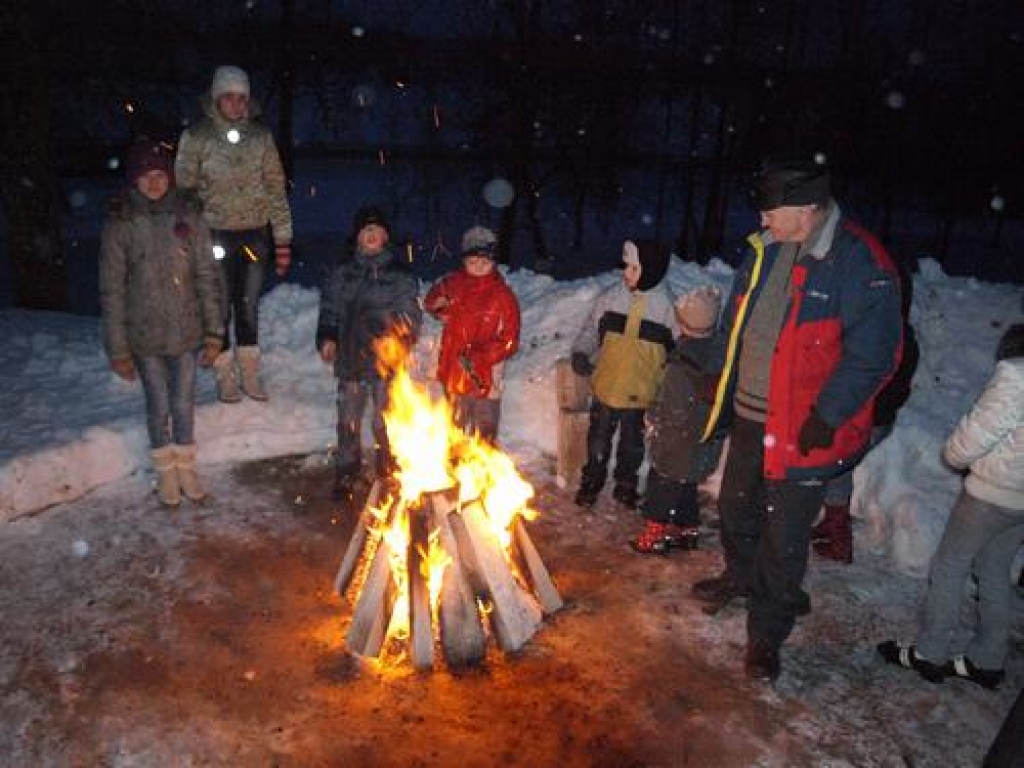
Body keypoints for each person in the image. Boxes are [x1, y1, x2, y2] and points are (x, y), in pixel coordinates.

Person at [690, 154, 903, 682]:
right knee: (736, 506)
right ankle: (741, 578)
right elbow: (737, 324)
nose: (762, 221)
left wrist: (828, 415)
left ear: (806, 209)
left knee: (785, 537)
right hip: (748, 411)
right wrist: (718, 371)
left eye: (771, 211)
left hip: (805, 428)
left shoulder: (858, 262)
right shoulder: (764, 251)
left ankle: (767, 631)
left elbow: (874, 354)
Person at [878, 324, 1024, 690]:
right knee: (995, 571)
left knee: (949, 567)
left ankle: (930, 652)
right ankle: (987, 660)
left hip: (990, 495)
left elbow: (979, 432)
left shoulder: (1016, 375)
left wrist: (953, 454)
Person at [99, 138, 224, 507]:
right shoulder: (122, 223)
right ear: (134, 180)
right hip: (144, 336)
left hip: (185, 332)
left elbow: (206, 276)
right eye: (146, 175)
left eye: (160, 174)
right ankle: (165, 472)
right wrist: (118, 348)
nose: (154, 182)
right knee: (158, 403)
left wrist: (214, 332)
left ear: (170, 178)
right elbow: (112, 291)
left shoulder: (189, 217)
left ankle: (186, 466)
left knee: (183, 403)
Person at [175, 65, 293, 403]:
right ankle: (225, 374)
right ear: (217, 98)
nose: (237, 104)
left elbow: (275, 190)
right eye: (229, 97)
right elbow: (184, 191)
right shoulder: (197, 137)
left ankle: (250, 371)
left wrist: (282, 239)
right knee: (218, 305)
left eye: (242, 98)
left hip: (254, 234)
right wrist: (185, 234)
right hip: (213, 235)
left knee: (248, 304)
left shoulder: (260, 137)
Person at [813, 262, 920, 563]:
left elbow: (872, 381)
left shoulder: (888, 335)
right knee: (836, 467)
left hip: (868, 418)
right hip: (876, 417)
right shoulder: (899, 331)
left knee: (835, 468)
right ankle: (833, 523)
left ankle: (837, 537)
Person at [316, 205, 422, 503]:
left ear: (386, 236)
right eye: (365, 230)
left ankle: (388, 466)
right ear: (358, 237)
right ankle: (347, 470)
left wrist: (396, 338)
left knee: (385, 419)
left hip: (386, 362)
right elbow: (330, 309)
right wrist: (327, 337)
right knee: (348, 419)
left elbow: (411, 316)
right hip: (350, 357)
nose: (371, 234)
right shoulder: (343, 273)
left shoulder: (400, 275)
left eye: (376, 229)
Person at [570, 239, 676, 509]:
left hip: (641, 394)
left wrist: (668, 386)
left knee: (632, 444)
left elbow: (677, 354)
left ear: (650, 269)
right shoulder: (610, 298)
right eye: (625, 267)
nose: (624, 273)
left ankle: (625, 485)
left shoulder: (668, 308)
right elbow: (590, 332)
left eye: (632, 268)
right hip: (606, 387)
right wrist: (582, 352)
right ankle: (591, 481)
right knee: (597, 441)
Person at [630, 285, 725, 553]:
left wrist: (652, 420)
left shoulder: (680, 365)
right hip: (705, 438)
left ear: (683, 324)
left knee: (662, 485)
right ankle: (687, 529)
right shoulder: (719, 352)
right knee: (686, 485)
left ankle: (655, 534)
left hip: (677, 441)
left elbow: (672, 409)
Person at [423, 226, 521, 443]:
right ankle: (455, 463)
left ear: (494, 262)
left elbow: (510, 340)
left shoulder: (502, 296)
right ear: (464, 261)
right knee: (455, 423)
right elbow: (431, 300)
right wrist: (440, 309)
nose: (478, 267)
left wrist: (481, 357)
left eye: (485, 262)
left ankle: (484, 464)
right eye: (473, 261)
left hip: (485, 371)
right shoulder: (453, 283)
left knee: (484, 421)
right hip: (454, 367)